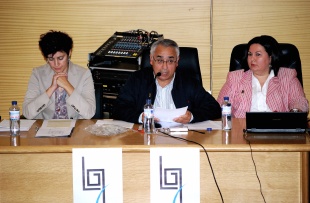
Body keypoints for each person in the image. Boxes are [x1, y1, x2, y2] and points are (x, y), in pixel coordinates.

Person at [113, 39, 222, 124]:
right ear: (151, 60)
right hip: (146, 137)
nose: (164, 67)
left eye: (170, 61)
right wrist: (140, 117)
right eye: (159, 60)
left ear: (177, 61)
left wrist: (192, 116)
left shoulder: (188, 81)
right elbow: (118, 108)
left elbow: (214, 108)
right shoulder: (137, 79)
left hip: (182, 139)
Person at [217, 35, 308, 118]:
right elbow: (220, 105)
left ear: (270, 58)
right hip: (242, 130)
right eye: (250, 54)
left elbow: (298, 101)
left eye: (258, 54)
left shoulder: (287, 76)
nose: (252, 59)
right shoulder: (235, 78)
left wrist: (295, 112)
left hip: (276, 130)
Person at [23, 30, 96, 119]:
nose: (56, 64)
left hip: (75, 128)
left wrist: (67, 86)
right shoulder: (38, 74)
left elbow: (89, 113)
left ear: (69, 53)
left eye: (60, 58)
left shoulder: (84, 74)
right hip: (45, 129)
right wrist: (51, 89)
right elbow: (27, 113)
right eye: (51, 59)